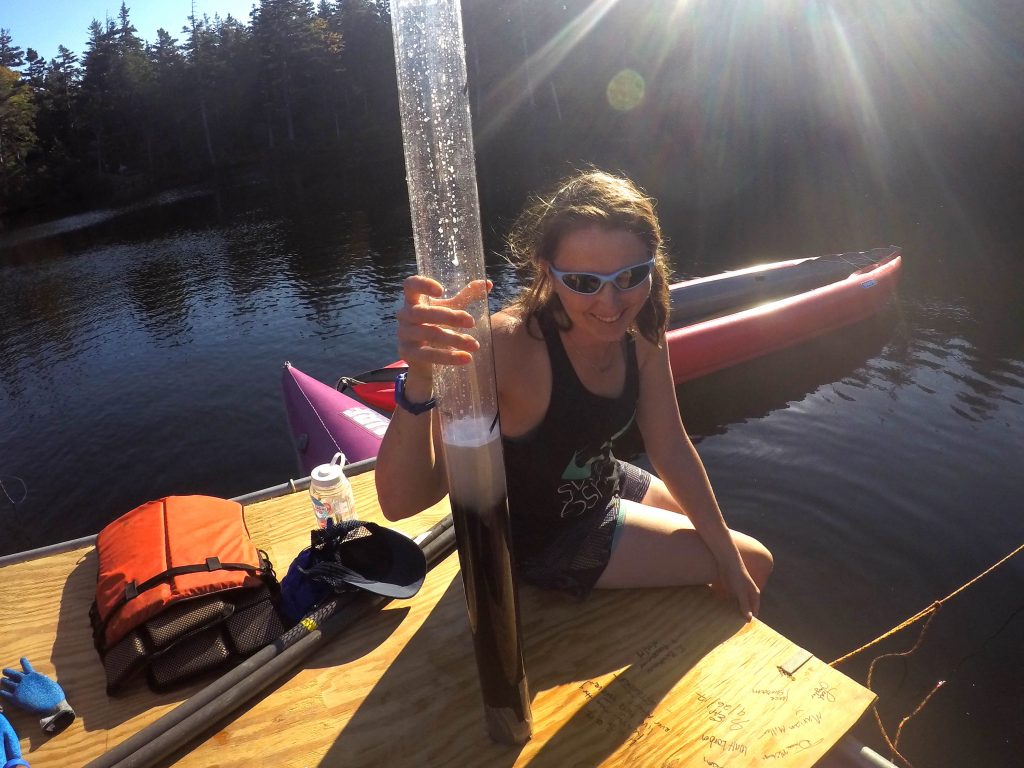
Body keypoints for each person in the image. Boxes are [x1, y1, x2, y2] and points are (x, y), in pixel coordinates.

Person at [376, 170, 772, 620]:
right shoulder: (503, 347)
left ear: (652, 265)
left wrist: (722, 551)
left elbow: (670, 444)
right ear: (548, 271)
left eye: (631, 275)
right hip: (542, 539)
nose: (611, 304)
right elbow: (403, 501)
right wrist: (423, 375)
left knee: (730, 553)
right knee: (754, 560)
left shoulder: (642, 321)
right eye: (585, 282)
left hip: (600, 481)